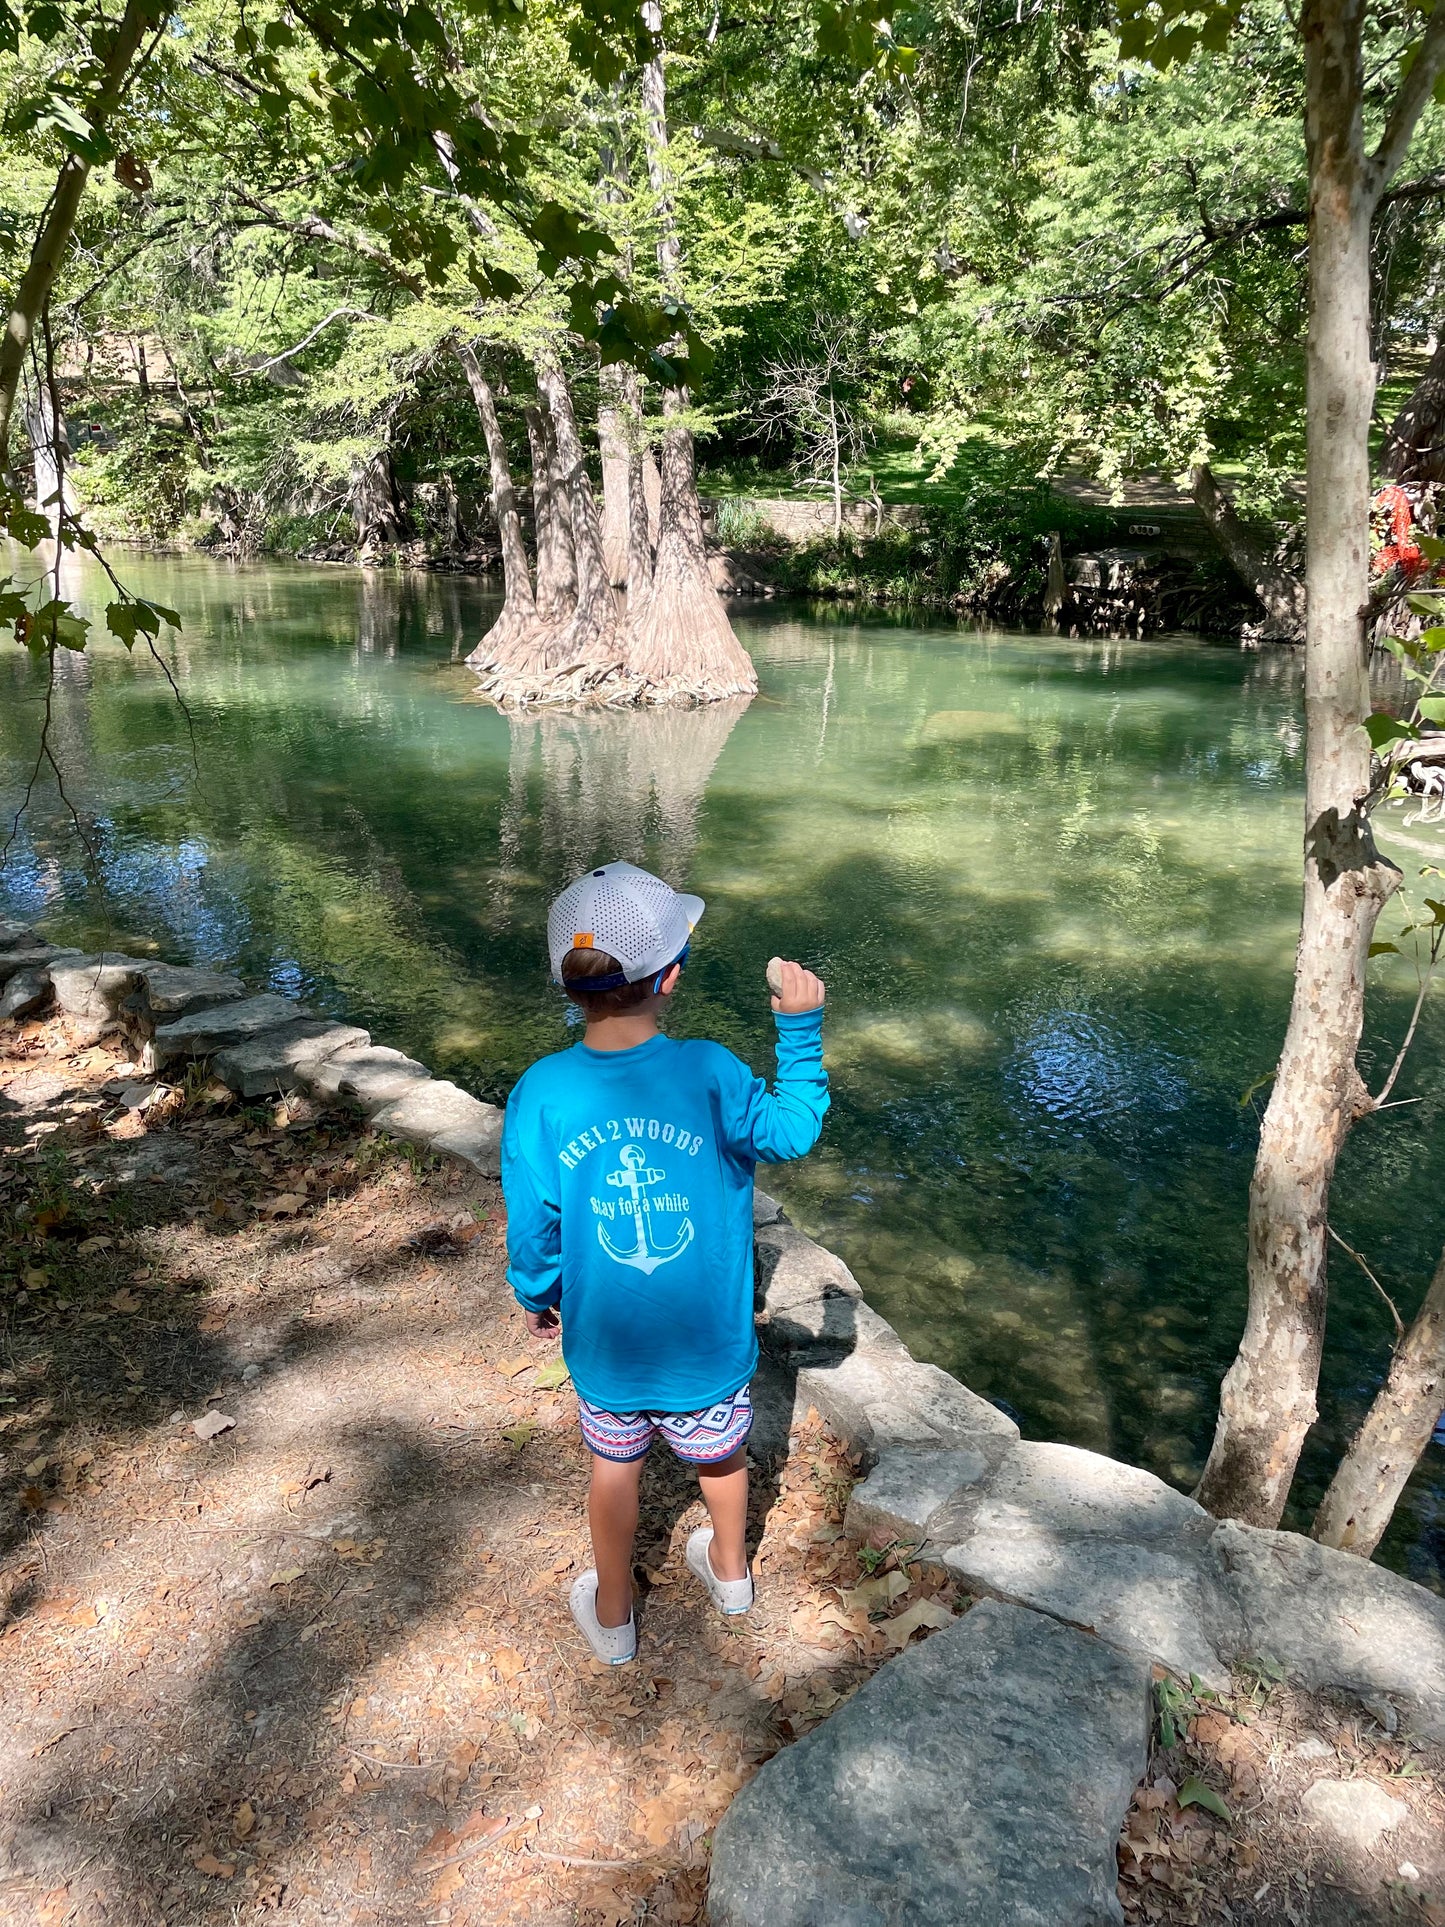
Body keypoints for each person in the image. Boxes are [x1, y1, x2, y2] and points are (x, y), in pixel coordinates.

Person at [502, 860, 828, 1664]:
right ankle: (729, 1573)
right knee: (718, 1450)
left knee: (612, 1468)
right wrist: (800, 1028)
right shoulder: (711, 1071)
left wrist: (537, 1293)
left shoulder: (541, 1091)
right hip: (706, 1343)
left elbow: (536, 1221)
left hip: (609, 1345)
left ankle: (613, 1615)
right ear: (671, 976)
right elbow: (790, 1129)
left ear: (568, 983)